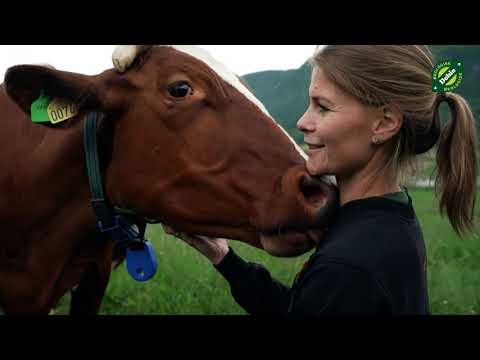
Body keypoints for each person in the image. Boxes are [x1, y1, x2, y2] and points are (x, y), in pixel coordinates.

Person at [164, 45, 478, 316]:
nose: (302, 122)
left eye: (322, 107)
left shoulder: (349, 265)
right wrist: (224, 258)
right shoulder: (389, 218)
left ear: (384, 123)